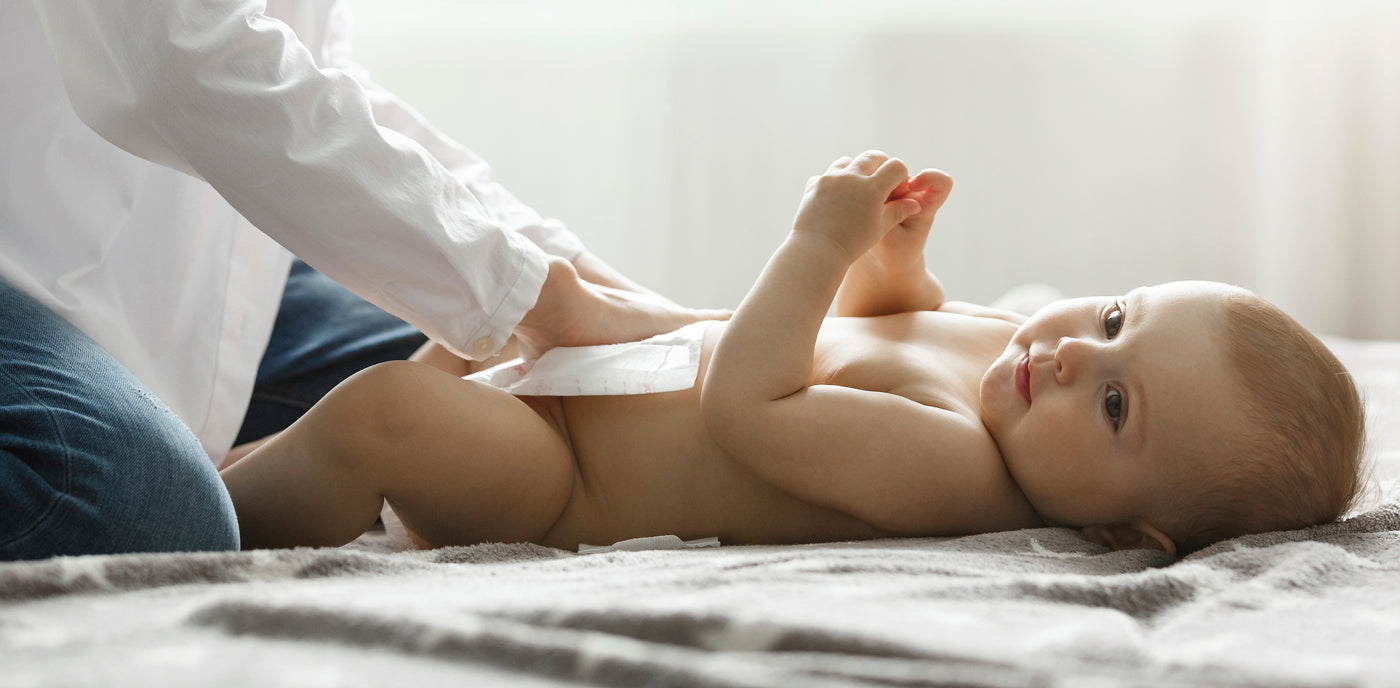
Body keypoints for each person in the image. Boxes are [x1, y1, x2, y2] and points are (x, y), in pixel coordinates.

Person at [218, 151, 1369, 557]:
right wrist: (890, 258)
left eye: (1115, 406)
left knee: (386, 415)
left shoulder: (960, 470)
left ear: (1123, 530)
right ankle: (239, 464)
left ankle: (201, 516)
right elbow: (885, 321)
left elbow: (749, 408)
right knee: (502, 281)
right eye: (1113, 319)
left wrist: (815, 245)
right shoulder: (1009, 362)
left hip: (560, 479)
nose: (1070, 356)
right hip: (603, 372)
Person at [0, 1, 723, 561]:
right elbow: (173, 57)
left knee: (478, 379)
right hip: (22, 261)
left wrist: (573, 280)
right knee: (130, 501)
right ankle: (184, 471)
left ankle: (204, 458)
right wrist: (536, 298)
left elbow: (307, 72)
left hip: (180, 258)